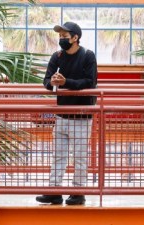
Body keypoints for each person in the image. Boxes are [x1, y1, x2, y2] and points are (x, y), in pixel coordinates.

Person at [36, 22, 98, 207]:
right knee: (58, 155)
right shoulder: (57, 56)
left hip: (81, 115)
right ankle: (54, 192)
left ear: (75, 37)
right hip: (61, 115)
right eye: (60, 36)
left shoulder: (87, 56)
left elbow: (90, 82)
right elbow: (46, 81)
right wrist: (53, 82)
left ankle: (78, 193)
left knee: (80, 156)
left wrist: (65, 82)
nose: (61, 39)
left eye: (65, 35)